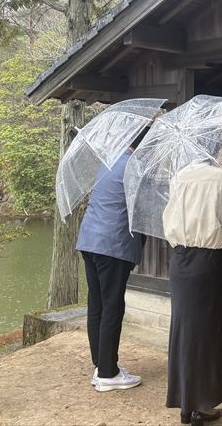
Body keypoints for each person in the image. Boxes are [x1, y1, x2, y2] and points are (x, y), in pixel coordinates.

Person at [162, 160, 222, 425]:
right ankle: (201, 405)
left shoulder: (178, 175)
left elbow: (168, 217)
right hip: (205, 259)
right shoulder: (218, 177)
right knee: (207, 331)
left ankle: (186, 403)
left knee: (184, 329)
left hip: (179, 260)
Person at [76, 135, 147, 392]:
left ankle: (101, 365)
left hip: (90, 241)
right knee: (112, 307)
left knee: (96, 305)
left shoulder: (109, 162)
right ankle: (108, 373)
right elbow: (142, 210)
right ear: (142, 145)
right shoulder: (134, 167)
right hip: (112, 246)